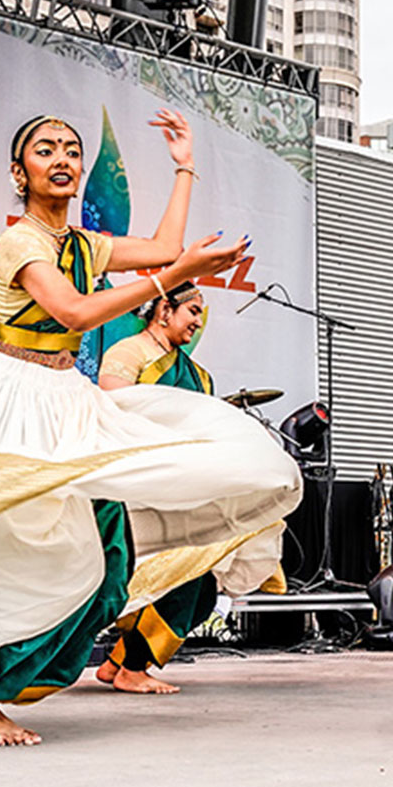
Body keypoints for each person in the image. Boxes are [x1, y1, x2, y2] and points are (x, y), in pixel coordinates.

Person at [0, 110, 301, 746]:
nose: (62, 158)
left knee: (107, 569)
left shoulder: (83, 244)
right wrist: (168, 279)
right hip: (8, 404)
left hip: (65, 403)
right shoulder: (20, 243)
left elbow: (165, 249)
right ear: (18, 171)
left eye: (72, 150)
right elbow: (75, 309)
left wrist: (184, 164)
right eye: (44, 149)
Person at [95, 281, 286, 694]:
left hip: (187, 489)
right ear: (164, 311)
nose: (198, 323)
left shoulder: (198, 374)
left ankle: (119, 663)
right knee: (174, 579)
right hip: (141, 488)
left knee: (200, 585)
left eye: (201, 314)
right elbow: (114, 407)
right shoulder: (127, 353)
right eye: (192, 312)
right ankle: (132, 668)